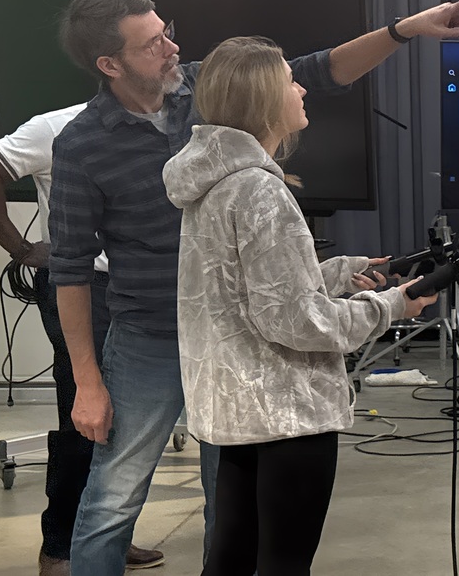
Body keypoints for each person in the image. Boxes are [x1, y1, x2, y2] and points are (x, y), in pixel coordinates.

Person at [47, 0, 459, 576]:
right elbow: (69, 268)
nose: (172, 48)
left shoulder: (206, 90)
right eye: (152, 45)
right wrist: (86, 383)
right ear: (109, 64)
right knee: (113, 498)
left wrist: (405, 29)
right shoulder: (84, 145)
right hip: (149, 336)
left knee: (233, 513)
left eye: (167, 31)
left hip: (234, 346)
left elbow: (320, 69)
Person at [163, 36, 438, 575]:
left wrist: (338, 273)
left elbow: (240, 290)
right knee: (285, 565)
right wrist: (390, 306)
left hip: (236, 410)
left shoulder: (215, 184)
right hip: (286, 413)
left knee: (231, 557)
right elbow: (295, 321)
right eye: (290, 80)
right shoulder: (262, 192)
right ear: (265, 99)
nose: (302, 87)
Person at [0, 109, 163, 576]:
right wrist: (23, 249)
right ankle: (61, 549)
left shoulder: (165, 123)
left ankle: (106, 535)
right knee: (86, 416)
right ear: (109, 62)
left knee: (129, 424)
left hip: (141, 287)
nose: (170, 54)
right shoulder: (57, 126)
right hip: (82, 287)